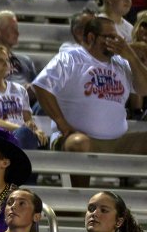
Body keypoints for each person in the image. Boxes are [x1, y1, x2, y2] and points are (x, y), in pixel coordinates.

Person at [33, 15, 147, 154]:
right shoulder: (70, 57)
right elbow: (41, 86)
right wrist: (62, 124)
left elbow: (144, 90)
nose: (116, 42)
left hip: (118, 141)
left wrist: (131, 56)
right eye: (109, 37)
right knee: (78, 143)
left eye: (117, 38)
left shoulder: (121, 63)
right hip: (79, 138)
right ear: (91, 38)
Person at [0, 43, 45, 148]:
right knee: (24, 133)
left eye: (7, 60)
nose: (6, 64)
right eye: (0, 60)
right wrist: (20, 128)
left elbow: (28, 120)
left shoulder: (19, 89)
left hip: (22, 136)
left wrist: (36, 130)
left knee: (38, 137)